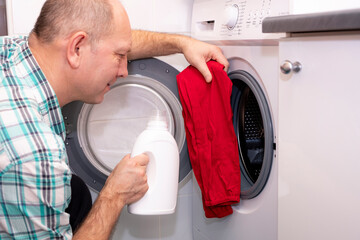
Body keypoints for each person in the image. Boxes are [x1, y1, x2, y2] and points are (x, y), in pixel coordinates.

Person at [0, 0, 229, 239]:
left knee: (76, 193)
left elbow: (108, 41)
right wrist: (114, 194)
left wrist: (182, 43)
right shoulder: (34, 155)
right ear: (77, 48)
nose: (124, 71)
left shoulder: (16, 49)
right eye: (119, 56)